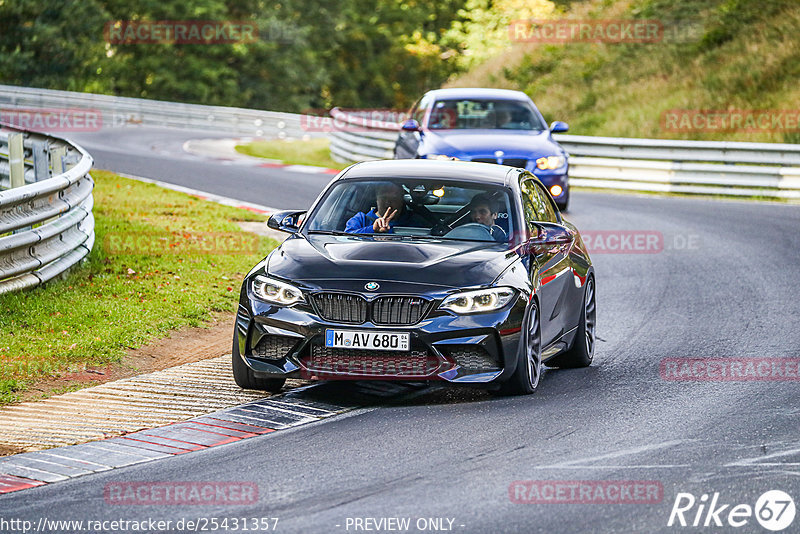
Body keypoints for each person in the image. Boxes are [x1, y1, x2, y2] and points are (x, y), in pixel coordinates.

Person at [345, 182, 421, 234]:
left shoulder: (415, 221)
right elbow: (345, 238)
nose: (388, 202)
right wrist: (372, 229)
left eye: (393, 199)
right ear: (376, 199)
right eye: (384, 198)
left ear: (401, 201)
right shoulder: (361, 219)